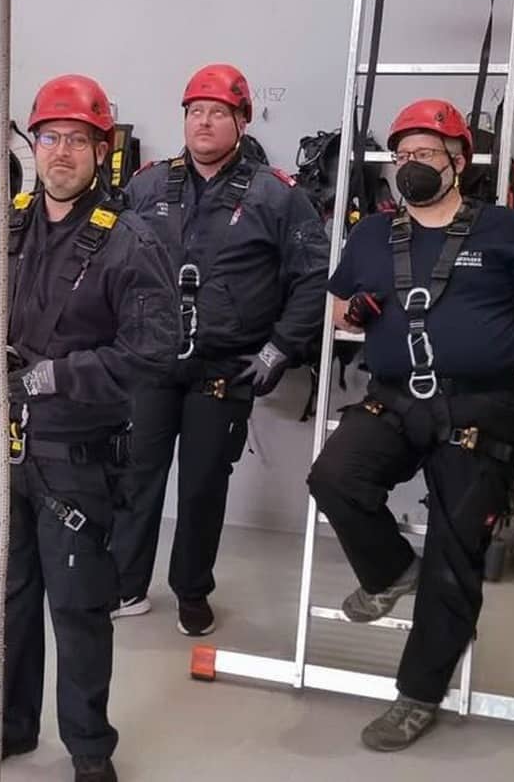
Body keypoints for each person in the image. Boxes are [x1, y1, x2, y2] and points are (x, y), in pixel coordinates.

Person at [307, 98, 514, 752]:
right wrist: (351, 313)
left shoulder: (507, 233)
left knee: (455, 555)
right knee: (334, 476)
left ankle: (418, 694)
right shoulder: (372, 234)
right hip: (395, 398)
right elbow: (336, 310)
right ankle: (391, 571)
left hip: (483, 408)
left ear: (459, 162)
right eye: (403, 155)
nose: (411, 165)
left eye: (425, 153)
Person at [0, 74, 179, 782]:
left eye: (78, 139)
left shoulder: (129, 243)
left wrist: (55, 377)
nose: (62, 152)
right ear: (34, 146)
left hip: (75, 456)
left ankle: (88, 747)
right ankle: (10, 725)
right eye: (50, 137)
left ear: (102, 151)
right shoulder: (4, 227)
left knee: (77, 608)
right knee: (5, 596)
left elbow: (152, 350)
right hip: (1, 449)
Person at [110, 63, 329, 636]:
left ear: (241, 122)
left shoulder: (276, 196)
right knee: (135, 476)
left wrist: (278, 350)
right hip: (152, 363)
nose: (203, 122)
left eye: (217, 112)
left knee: (203, 486)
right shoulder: (147, 186)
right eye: (195, 112)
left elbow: (314, 276)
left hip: (224, 369)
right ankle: (125, 584)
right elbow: (110, 260)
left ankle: (191, 592)